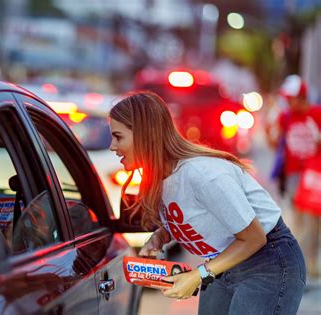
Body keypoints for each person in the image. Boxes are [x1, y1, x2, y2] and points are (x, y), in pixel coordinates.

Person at [109, 91, 306, 314]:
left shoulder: (202, 173)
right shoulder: (159, 177)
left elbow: (254, 238)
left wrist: (197, 276)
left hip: (267, 260)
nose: (112, 147)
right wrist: (159, 238)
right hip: (224, 262)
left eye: (118, 137)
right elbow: (192, 215)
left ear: (146, 135)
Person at [273, 74, 321, 279]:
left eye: (291, 98)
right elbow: (278, 145)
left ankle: (309, 265)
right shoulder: (285, 117)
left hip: (313, 176)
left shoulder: (316, 114)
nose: (288, 101)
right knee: (298, 221)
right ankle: (300, 266)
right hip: (293, 176)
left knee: (312, 223)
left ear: (301, 97)